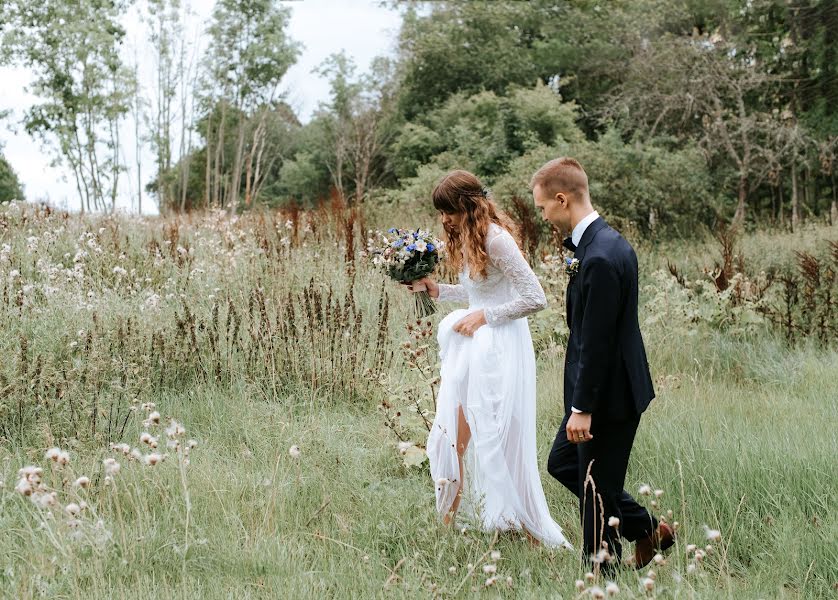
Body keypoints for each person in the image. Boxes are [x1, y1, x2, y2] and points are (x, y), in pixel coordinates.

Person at [407, 169, 571, 549]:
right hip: (472, 349)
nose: (443, 219)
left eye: (448, 210)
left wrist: (485, 317)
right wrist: (436, 290)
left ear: (467, 206)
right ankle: (445, 530)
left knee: (498, 439)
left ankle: (533, 531)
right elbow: (477, 295)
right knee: (451, 440)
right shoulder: (470, 237)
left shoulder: (496, 239)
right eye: (441, 212)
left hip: (499, 349)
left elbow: (535, 297)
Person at [531, 157, 675, 569]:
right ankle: (647, 528)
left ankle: (600, 574)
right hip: (605, 388)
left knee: (595, 486)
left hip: (609, 396)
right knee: (563, 463)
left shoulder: (598, 256)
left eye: (543, 208)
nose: (543, 216)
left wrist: (582, 409)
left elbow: (597, 342)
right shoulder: (604, 243)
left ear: (562, 200)